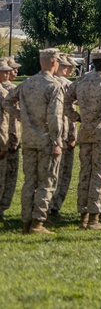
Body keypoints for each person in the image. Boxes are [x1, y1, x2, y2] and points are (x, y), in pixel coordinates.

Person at [2, 47, 64, 235]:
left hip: (29, 139)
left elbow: (6, 102)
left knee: (29, 181)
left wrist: (23, 118)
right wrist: (56, 141)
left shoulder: (27, 83)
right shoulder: (53, 85)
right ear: (54, 62)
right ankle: (38, 223)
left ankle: (26, 222)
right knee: (46, 181)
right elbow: (55, 117)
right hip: (46, 140)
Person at [65, 48, 101, 230]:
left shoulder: (81, 81)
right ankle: (94, 220)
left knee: (85, 174)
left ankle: (83, 216)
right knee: (99, 175)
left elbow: (66, 101)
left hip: (85, 132)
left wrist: (77, 117)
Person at [49, 53, 78, 223]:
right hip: (64, 135)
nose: (70, 69)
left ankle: (48, 207)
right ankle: (53, 207)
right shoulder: (66, 85)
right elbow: (68, 115)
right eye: (66, 66)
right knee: (62, 173)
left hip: (51, 134)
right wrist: (72, 136)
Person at [0, 58, 22, 222]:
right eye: (5, 70)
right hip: (5, 140)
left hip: (7, 139)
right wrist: (10, 140)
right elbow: (7, 120)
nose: (10, 73)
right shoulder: (5, 91)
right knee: (5, 177)